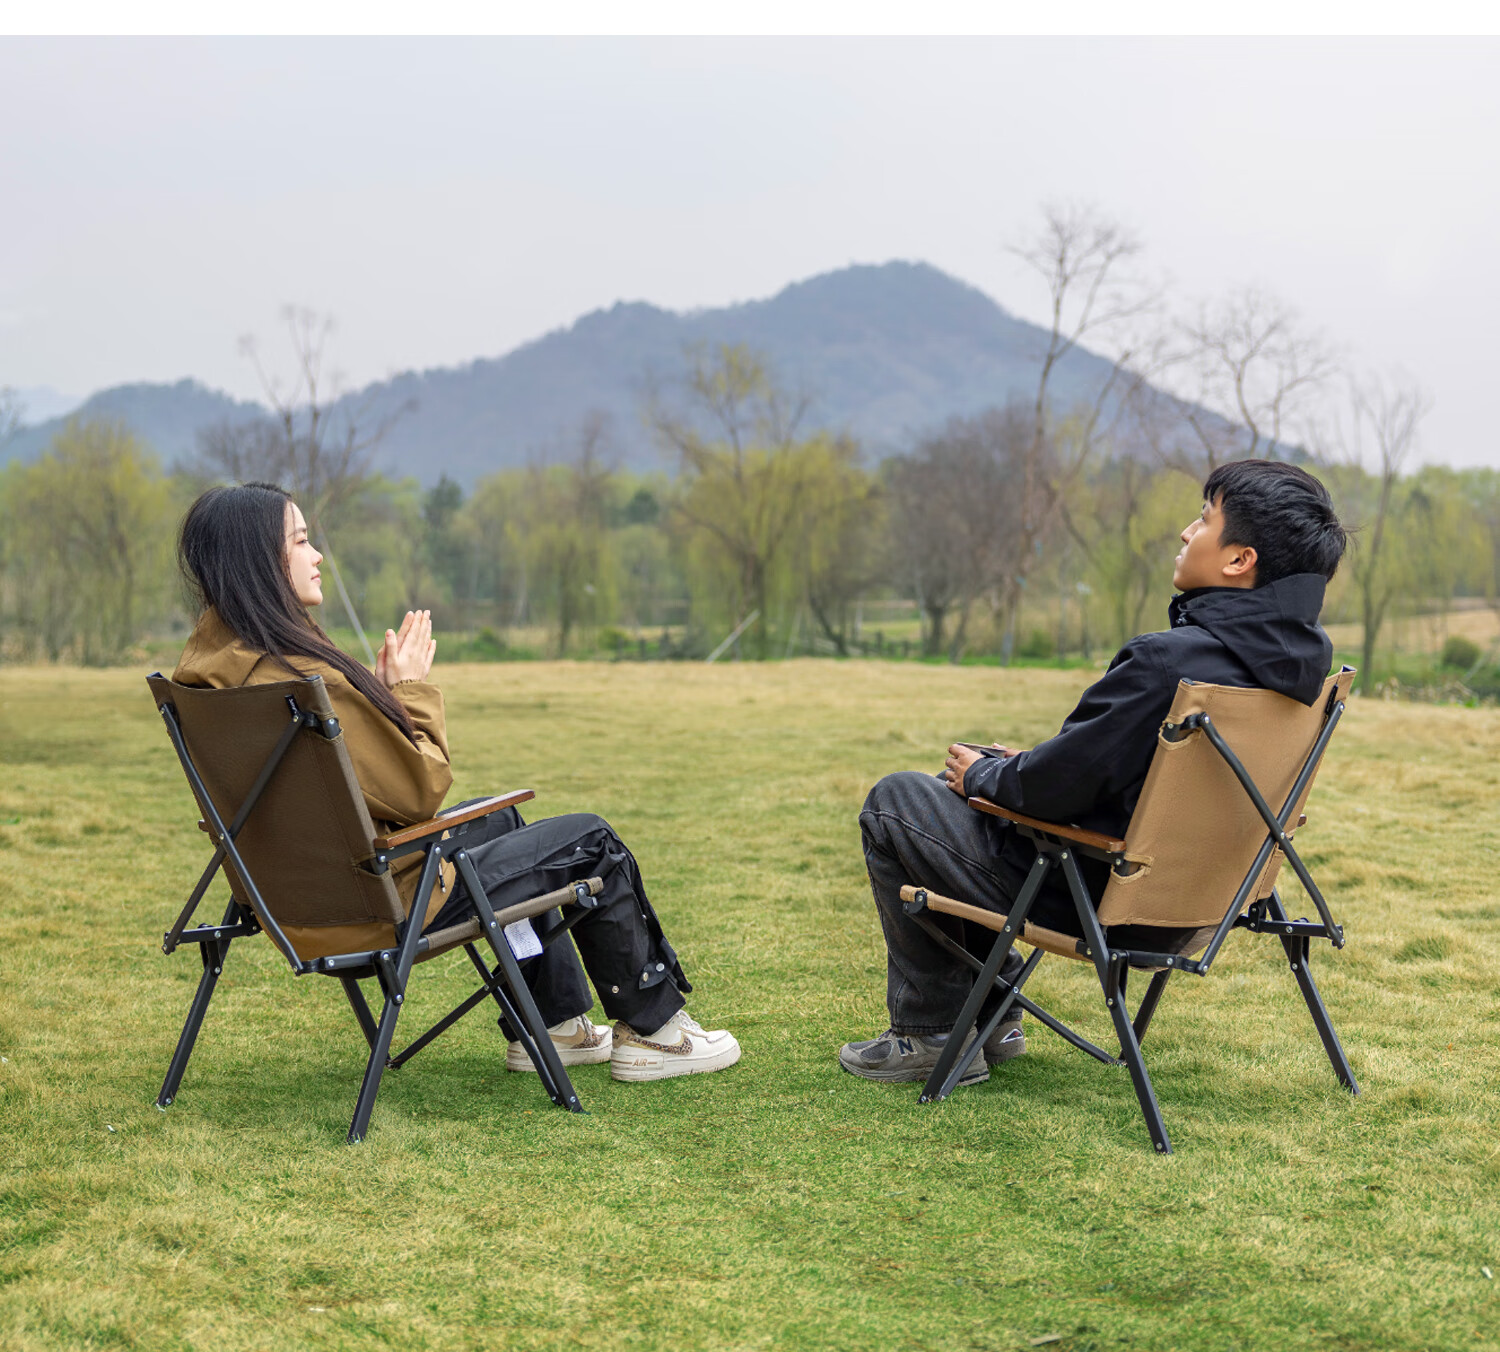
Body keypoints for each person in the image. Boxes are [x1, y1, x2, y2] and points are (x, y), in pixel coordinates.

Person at [173, 481, 740, 1083]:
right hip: (386, 903)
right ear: (260, 559)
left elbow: (331, 783)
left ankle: (554, 1025)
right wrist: (408, 693)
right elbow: (419, 790)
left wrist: (372, 702)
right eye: (301, 541)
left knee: (500, 820)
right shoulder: (304, 682)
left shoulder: (208, 679)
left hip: (297, 907)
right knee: (592, 842)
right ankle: (659, 1034)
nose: (316, 557)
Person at [840, 459, 1349, 1086]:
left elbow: (1053, 792)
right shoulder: (1307, 679)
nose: (1187, 532)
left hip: (1095, 895)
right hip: (1202, 907)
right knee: (966, 794)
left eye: (1203, 519)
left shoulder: (1167, 663)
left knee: (898, 800)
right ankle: (993, 1018)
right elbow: (1109, 775)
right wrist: (1020, 767)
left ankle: (934, 1029)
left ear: (1240, 560)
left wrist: (985, 778)